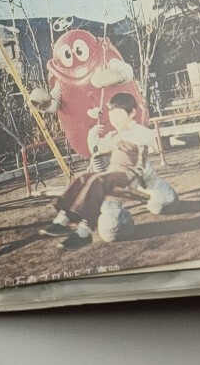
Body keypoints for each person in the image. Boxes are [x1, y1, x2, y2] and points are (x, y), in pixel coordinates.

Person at [39, 92, 178, 251]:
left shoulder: (140, 130)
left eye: (118, 115)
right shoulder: (114, 135)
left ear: (132, 112)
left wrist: (122, 138)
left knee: (97, 180)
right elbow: (96, 149)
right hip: (114, 173)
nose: (114, 120)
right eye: (111, 116)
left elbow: (147, 142)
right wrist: (93, 135)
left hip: (132, 175)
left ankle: (84, 232)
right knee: (83, 177)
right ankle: (63, 219)